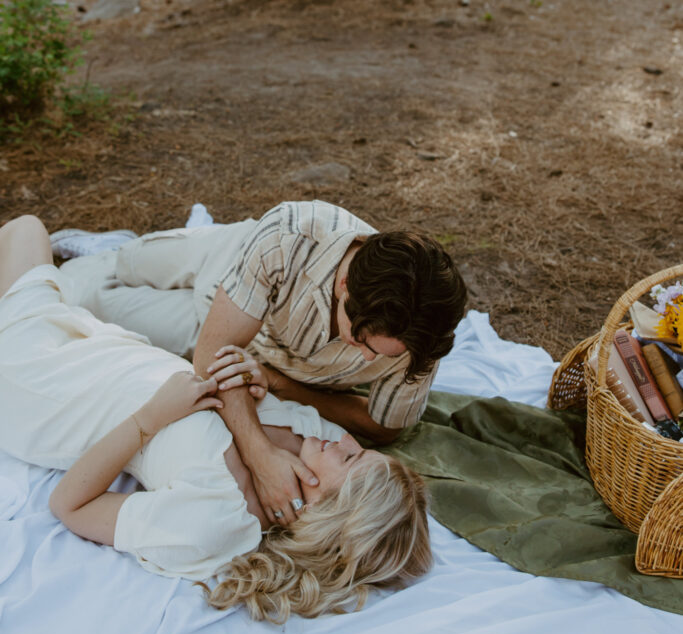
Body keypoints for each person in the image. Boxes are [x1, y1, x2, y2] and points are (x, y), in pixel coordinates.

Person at [0, 215, 432, 622]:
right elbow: (223, 365)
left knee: (26, 230)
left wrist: (150, 420)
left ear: (324, 511)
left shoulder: (215, 522)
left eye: (352, 459)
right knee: (36, 245)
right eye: (360, 451)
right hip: (104, 346)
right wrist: (257, 377)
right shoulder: (316, 438)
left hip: (42, 388)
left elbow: (69, 504)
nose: (349, 442)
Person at [56, 200, 467, 523]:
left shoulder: (420, 333)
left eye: (382, 356)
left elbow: (384, 426)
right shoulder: (290, 234)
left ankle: (92, 269)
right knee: (128, 262)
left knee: (87, 299)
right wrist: (259, 457)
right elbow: (213, 357)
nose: (366, 360)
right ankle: (117, 248)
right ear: (345, 284)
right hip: (226, 268)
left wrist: (278, 382)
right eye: (361, 340)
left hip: (233, 345)